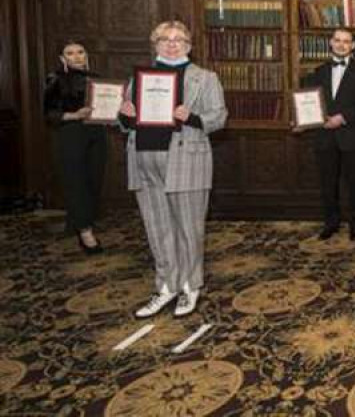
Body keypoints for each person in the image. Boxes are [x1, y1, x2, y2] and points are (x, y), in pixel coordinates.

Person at [120, 21, 228, 319]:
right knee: (157, 228)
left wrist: (191, 117)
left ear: (189, 46)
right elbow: (126, 120)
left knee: (188, 229)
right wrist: (125, 116)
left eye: (179, 39)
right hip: (144, 158)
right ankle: (166, 285)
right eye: (165, 39)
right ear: (155, 44)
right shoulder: (138, 78)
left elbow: (219, 117)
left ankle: (189, 286)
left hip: (185, 160)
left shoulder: (204, 78)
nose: (172, 44)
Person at [299, 28, 355, 241]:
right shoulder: (318, 72)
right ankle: (331, 222)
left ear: (353, 46)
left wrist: (343, 117)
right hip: (324, 136)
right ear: (331, 43)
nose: (341, 45)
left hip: (352, 136)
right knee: (327, 183)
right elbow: (308, 103)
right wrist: (305, 119)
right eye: (337, 40)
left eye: (346, 41)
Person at [43, 40, 108, 254]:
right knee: (76, 181)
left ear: (86, 55)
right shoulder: (55, 79)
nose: (77, 56)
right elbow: (49, 114)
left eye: (81, 52)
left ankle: (81, 222)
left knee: (93, 180)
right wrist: (74, 115)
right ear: (63, 59)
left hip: (97, 133)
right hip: (71, 134)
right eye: (70, 53)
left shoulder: (97, 78)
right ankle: (85, 232)